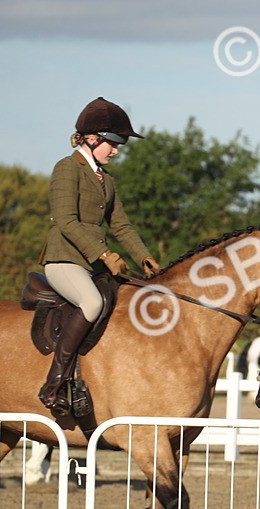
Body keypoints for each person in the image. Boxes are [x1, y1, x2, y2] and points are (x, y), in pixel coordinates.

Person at [37, 97, 160, 412]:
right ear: (92, 139)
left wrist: (144, 258)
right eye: (114, 142)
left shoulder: (108, 181)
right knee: (92, 302)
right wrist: (105, 254)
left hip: (92, 263)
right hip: (64, 260)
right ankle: (54, 384)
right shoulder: (67, 168)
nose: (117, 149)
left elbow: (122, 226)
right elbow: (65, 221)